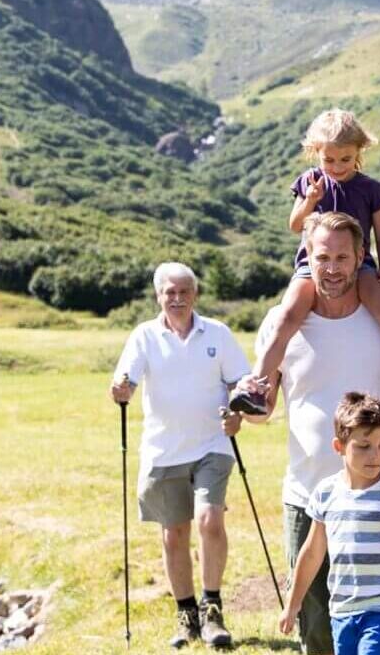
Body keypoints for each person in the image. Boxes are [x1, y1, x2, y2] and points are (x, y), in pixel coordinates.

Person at [241, 212, 380, 655]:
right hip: (307, 494)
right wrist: (241, 414)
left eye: (342, 257)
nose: (331, 268)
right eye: (321, 257)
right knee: (316, 630)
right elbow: (264, 407)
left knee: (373, 622)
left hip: (376, 495)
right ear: (306, 258)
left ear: (360, 257)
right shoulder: (281, 322)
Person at [231, 110, 380, 418]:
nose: (337, 167)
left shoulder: (371, 189)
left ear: (359, 152)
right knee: (286, 316)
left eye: (346, 159)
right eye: (329, 160)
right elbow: (295, 224)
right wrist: (310, 199)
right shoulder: (309, 182)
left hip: (360, 263)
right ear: (315, 153)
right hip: (309, 266)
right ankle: (256, 387)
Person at [112, 262, 255, 649]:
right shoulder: (144, 336)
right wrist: (122, 390)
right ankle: (185, 614)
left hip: (212, 445)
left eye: (183, 291)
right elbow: (125, 380)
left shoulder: (218, 334)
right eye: (169, 292)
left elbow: (239, 383)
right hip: (163, 451)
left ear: (195, 294)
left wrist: (237, 414)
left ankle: (212, 610)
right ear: (158, 296)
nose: (176, 298)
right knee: (174, 534)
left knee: (210, 520)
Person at [278, 392, 380, 655]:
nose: (375, 455)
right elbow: (311, 553)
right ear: (339, 447)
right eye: (364, 446)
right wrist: (293, 603)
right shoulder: (325, 493)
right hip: (343, 612)